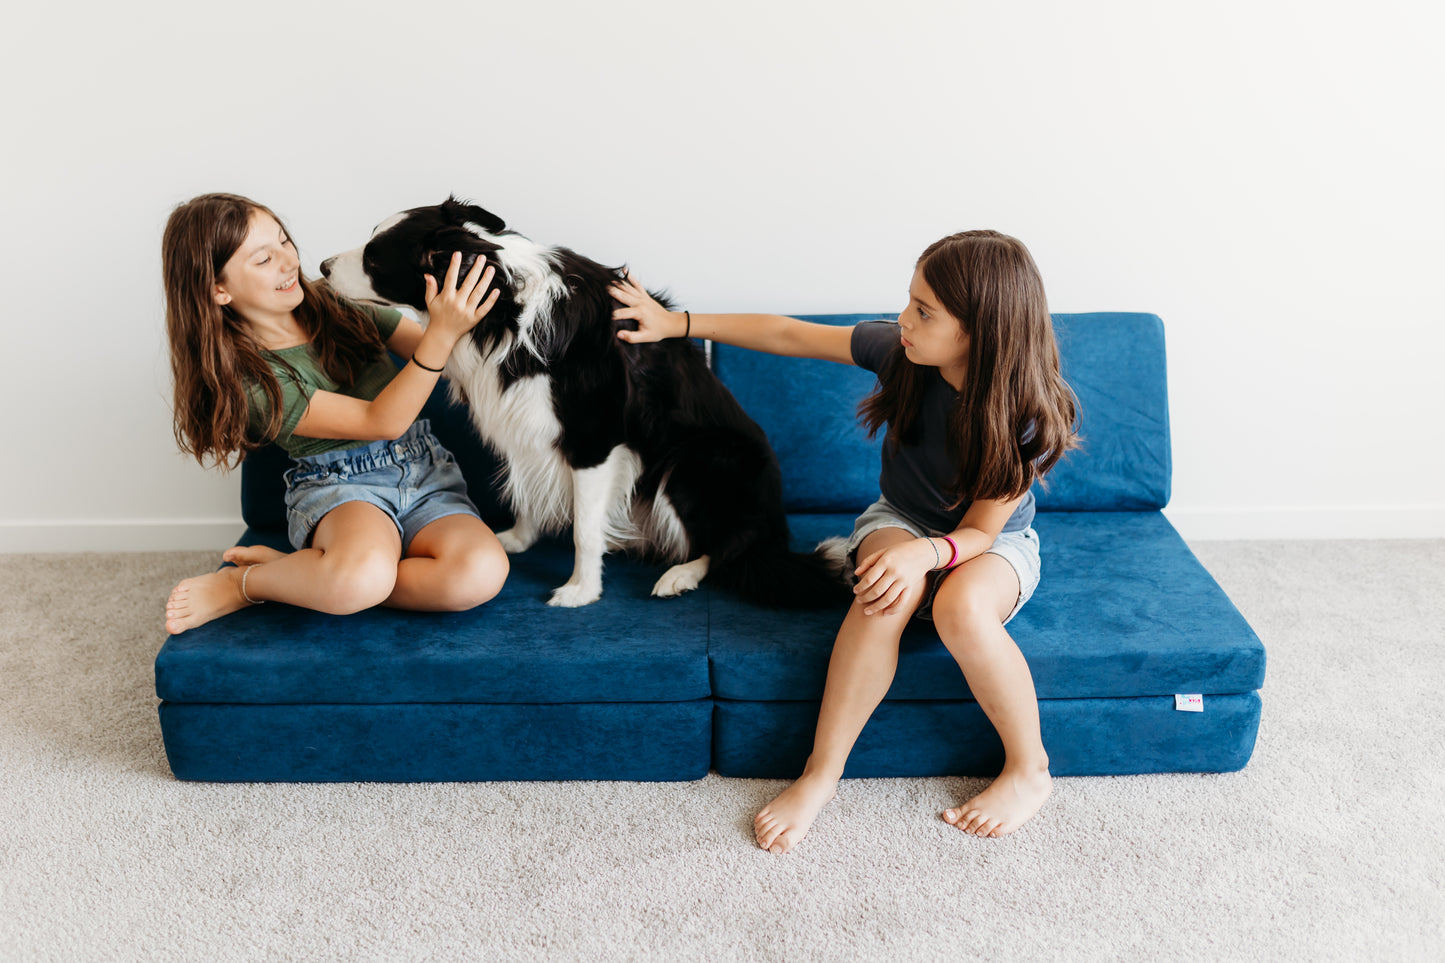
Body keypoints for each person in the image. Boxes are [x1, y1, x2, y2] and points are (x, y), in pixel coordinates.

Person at [610, 230, 1079, 849]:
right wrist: (678, 323)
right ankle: (820, 775)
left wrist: (926, 556)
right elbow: (789, 334)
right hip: (900, 519)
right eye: (909, 302)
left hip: (989, 545)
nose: (904, 320)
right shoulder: (902, 353)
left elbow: (979, 532)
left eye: (923, 311)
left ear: (978, 330)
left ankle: (1030, 770)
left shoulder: (1023, 412)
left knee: (960, 609)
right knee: (883, 592)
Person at [161, 193, 509, 635]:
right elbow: (380, 421)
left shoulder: (340, 302)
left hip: (424, 472)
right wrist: (442, 330)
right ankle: (248, 583)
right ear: (218, 289)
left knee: (481, 572)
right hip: (341, 487)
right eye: (264, 259)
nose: (289, 263)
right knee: (362, 576)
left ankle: (313, 576)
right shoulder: (251, 381)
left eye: (285, 242)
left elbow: (442, 356)